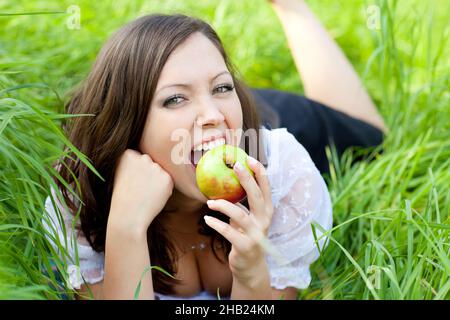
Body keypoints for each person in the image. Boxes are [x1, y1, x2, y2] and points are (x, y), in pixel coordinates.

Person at [42, 0, 385, 300]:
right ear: (128, 122)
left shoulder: (282, 172)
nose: (213, 115)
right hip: (201, 144)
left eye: (223, 86)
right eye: (175, 98)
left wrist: (252, 267)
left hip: (273, 119)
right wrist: (125, 229)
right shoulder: (81, 195)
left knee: (371, 138)